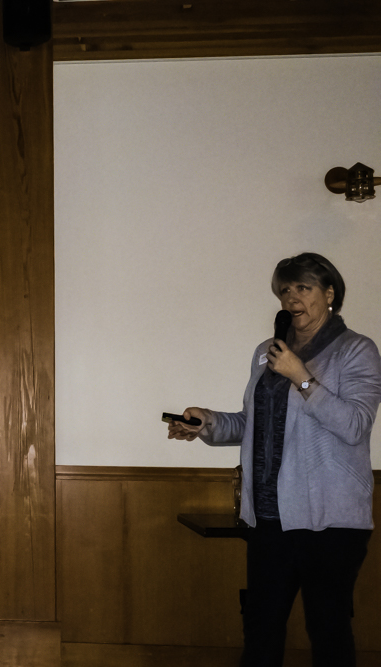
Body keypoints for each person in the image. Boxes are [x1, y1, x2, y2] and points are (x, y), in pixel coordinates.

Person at [167, 252, 381, 667]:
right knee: (260, 627)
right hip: (268, 517)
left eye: (303, 287)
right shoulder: (267, 353)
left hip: (329, 520)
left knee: (328, 629)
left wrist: (301, 376)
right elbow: (255, 424)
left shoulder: (356, 350)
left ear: (329, 294)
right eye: (285, 290)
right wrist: (207, 422)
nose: (292, 298)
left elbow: (355, 425)